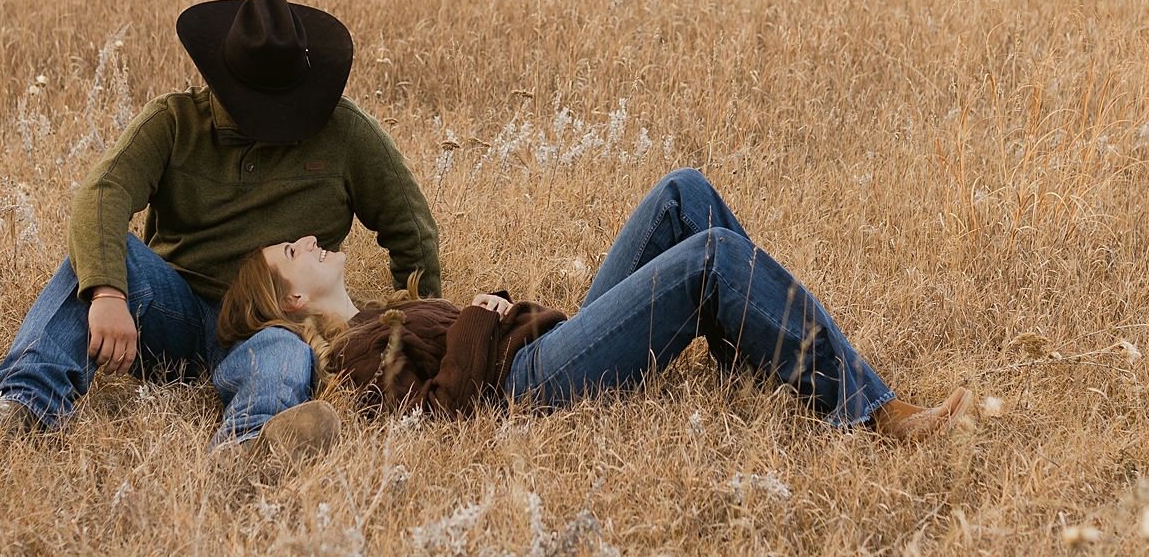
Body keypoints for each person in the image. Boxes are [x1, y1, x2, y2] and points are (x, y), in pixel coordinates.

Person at [0, 0, 441, 460]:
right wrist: (108, 293)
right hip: (176, 305)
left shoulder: (347, 131)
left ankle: (245, 449)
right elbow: (101, 197)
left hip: (270, 313)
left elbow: (410, 226)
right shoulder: (172, 121)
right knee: (100, 263)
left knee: (285, 354)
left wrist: (416, 325)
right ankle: (23, 407)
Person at [218, 167, 971, 441]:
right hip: (533, 386)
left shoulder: (380, 312)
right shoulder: (350, 353)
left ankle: (756, 355)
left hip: (547, 342)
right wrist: (482, 316)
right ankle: (872, 412)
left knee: (685, 194)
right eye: (292, 251)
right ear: (289, 298)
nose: (310, 238)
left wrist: (487, 312)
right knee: (712, 257)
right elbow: (439, 419)